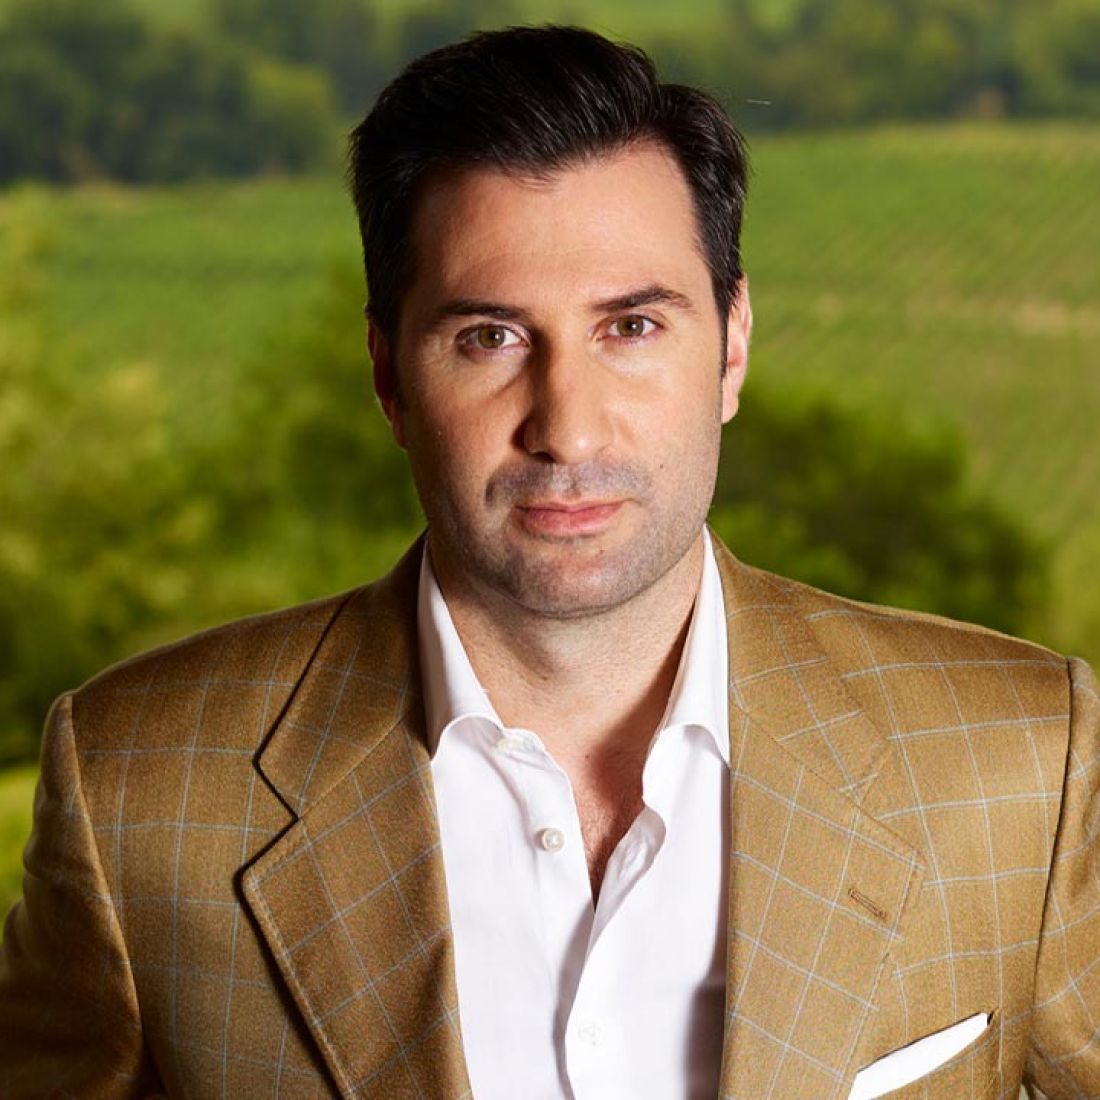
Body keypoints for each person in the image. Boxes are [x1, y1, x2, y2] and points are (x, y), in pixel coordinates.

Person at [1, 24, 1097, 1100]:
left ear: (731, 345)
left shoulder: (1022, 765)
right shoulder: (139, 793)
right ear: (388, 376)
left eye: (631, 327)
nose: (566, 429)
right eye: (490, 338)